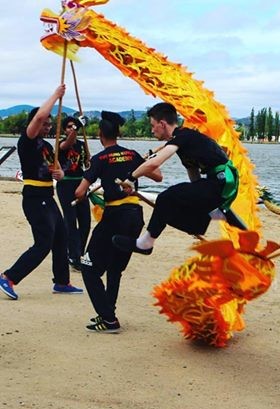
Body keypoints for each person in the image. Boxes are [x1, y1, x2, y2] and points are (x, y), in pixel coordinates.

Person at [74, 111, 163, 333]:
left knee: (88, 267)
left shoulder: (100, 159)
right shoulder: (132, 154)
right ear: (119, 132)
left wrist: (82, 195)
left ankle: (109, 318)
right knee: (114, 268)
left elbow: (79, 191)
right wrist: (145, 162)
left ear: (100, 134)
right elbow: (158, 176)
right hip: (135, 215)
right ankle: (108, 316)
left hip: (115, 216)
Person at [111, 102, 239, 255]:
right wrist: (198, 203)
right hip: (216, 184)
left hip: (222, 181)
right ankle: (206, 218)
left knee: (166, 197)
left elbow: (154, 163)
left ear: (162, 124)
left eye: (153, 126)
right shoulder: (184, 140)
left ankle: (146, 243)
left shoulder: (182, 136)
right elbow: (193, 174)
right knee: (168, 207)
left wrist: (130, 178)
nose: (152, 130)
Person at [0, 85, 83, 300]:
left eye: (49, 125)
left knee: (61, 236)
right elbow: (38, 118)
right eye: (44, 124)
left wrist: (60, 174)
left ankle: (62, 282)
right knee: (44, 242)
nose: (46, 127)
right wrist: (56, 95)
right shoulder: (26, 141)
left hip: (47, 196)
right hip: (34, 197)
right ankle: (8, 277)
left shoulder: (47, 146)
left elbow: (60, 166)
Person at [57, 115, 91, 271]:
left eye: (73, 126)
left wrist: (89, 161)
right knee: (70, 220)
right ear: (65, 129)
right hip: (66, 184)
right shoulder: (61, 143)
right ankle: (73, 256)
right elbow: (68, 143)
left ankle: (79, 252)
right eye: (69, 126)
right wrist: (77, 125)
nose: (72, 129)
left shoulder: (82, 144)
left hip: (81, 183)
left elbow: (86, 164)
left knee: (85, 221)